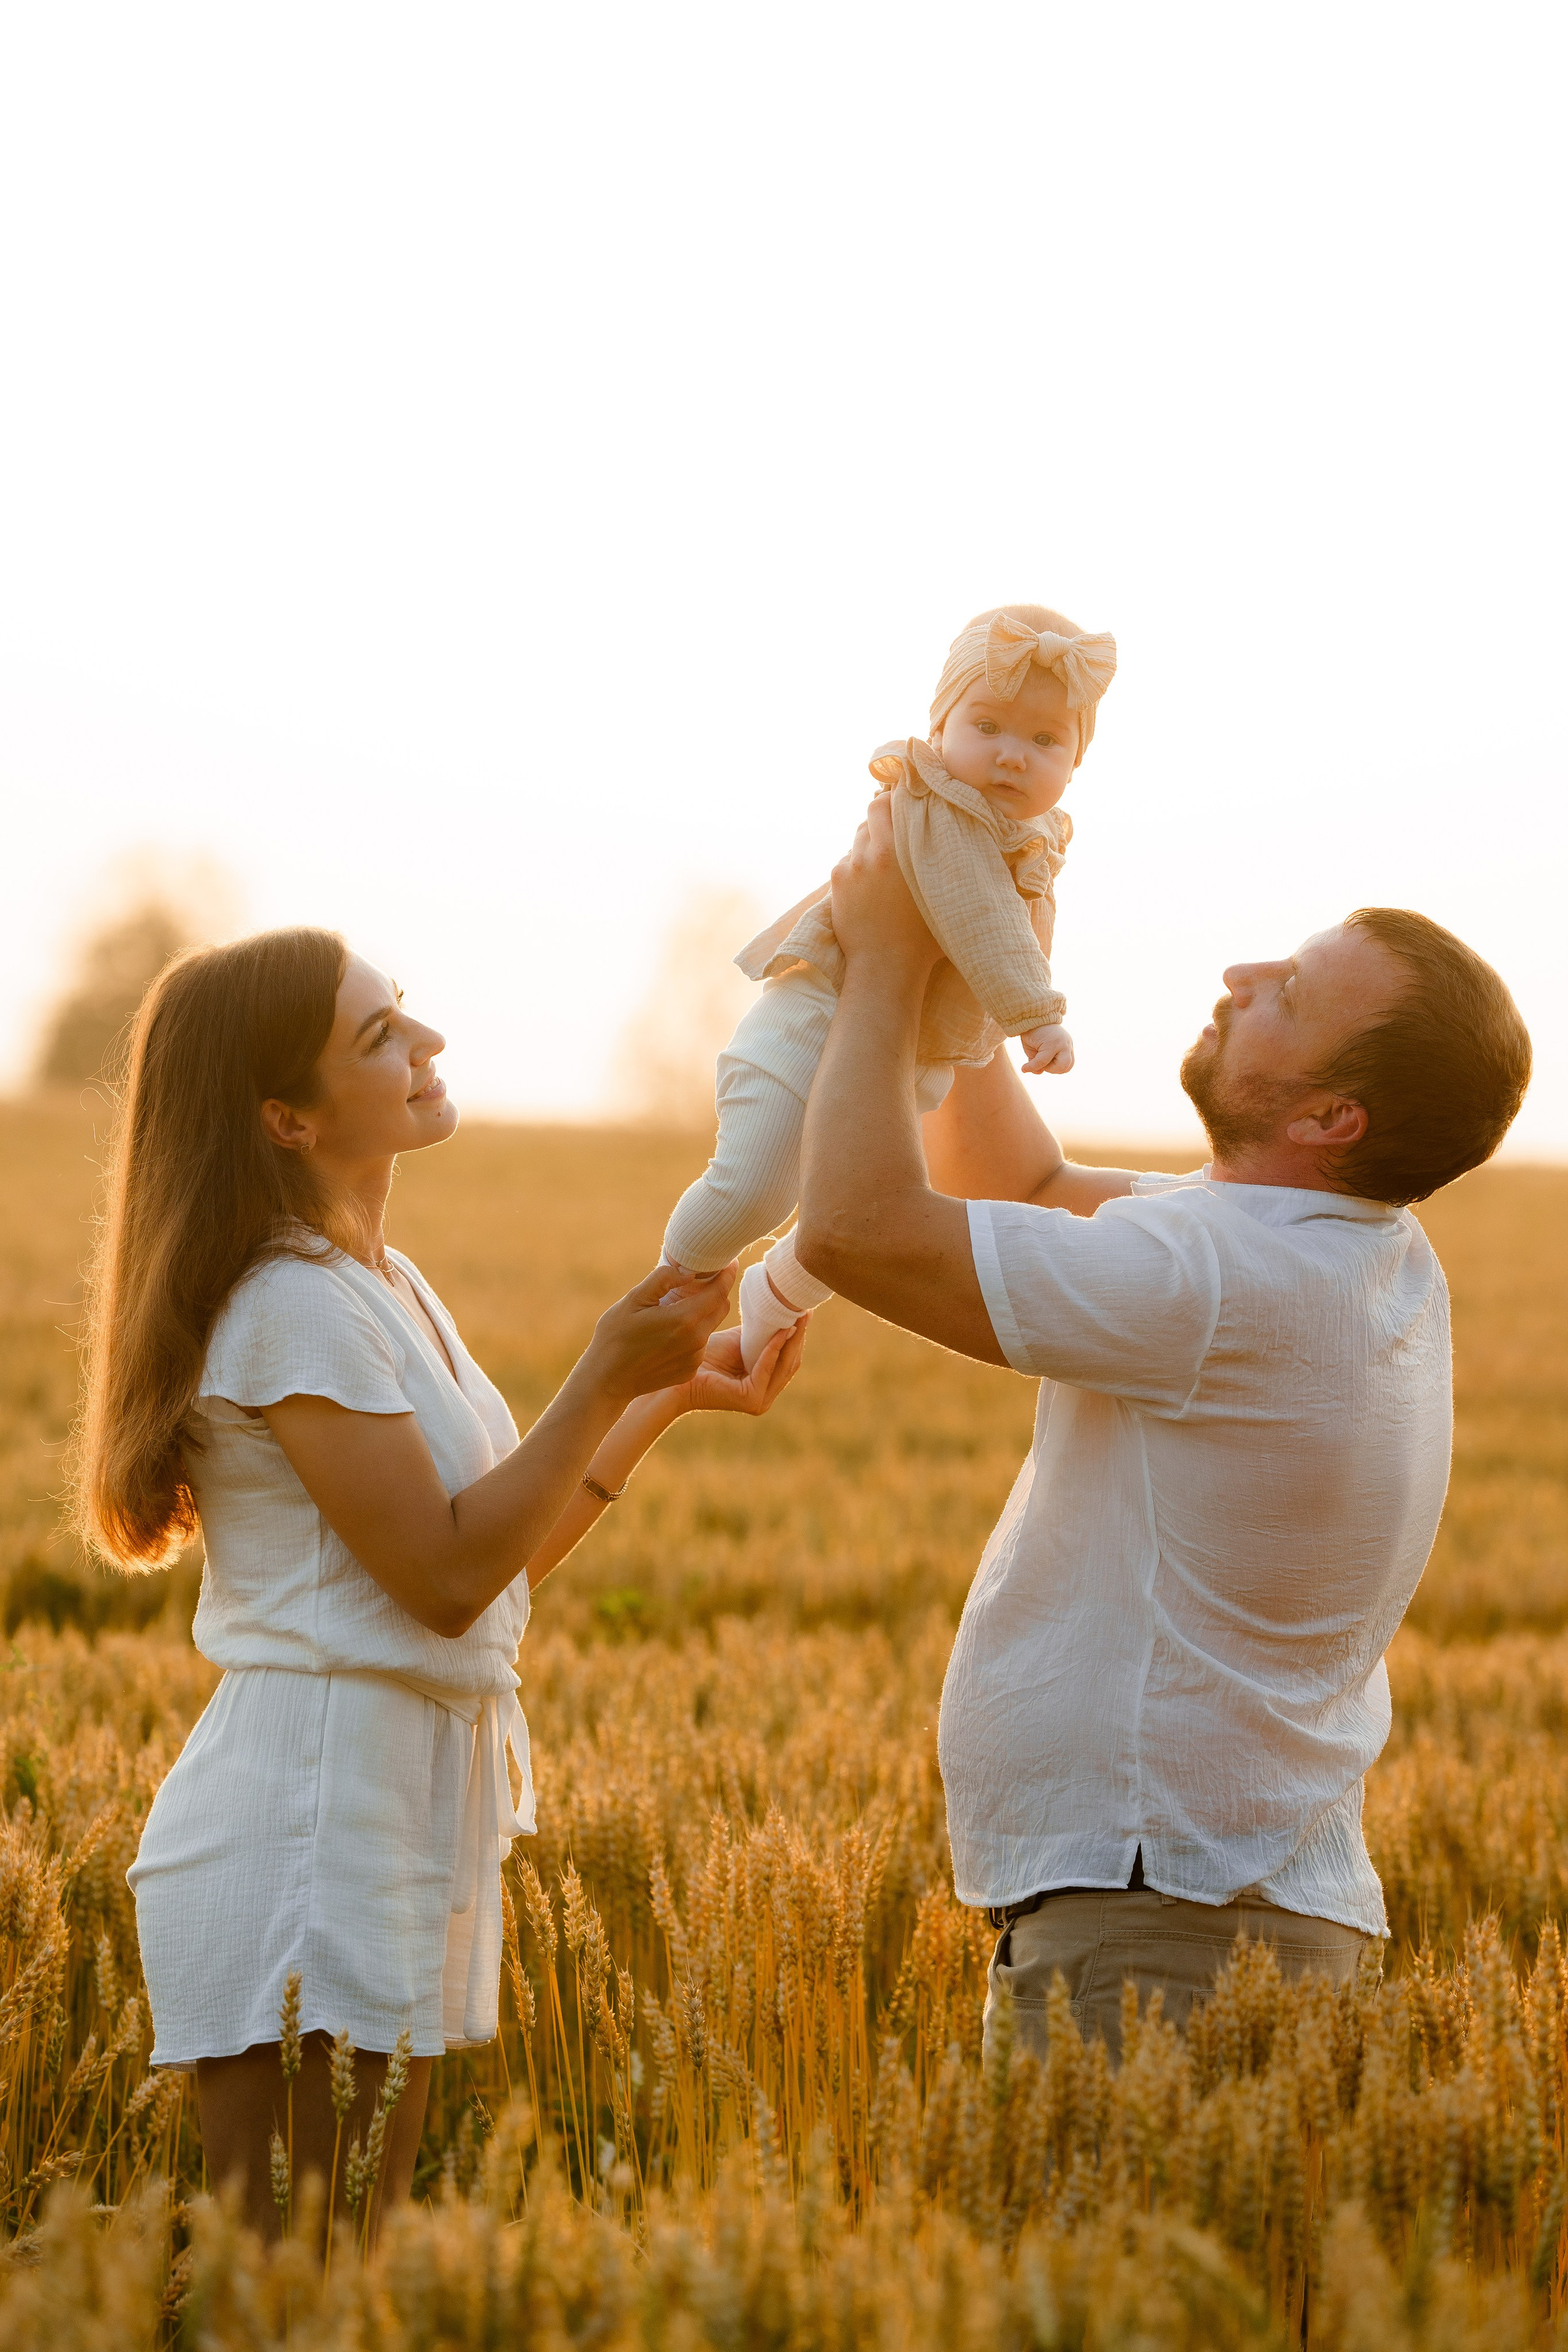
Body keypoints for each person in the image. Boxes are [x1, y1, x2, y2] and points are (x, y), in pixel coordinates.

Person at [79, 927, 805, 2238]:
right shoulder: (292, 1304)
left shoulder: (382, 1285)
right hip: (307, 1819)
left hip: (386, 1799)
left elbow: (493, 1554)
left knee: (338, 2268)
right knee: (300, 2281)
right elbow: (444, 1579)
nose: (429, 1045)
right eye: (379, 1036)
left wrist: (663, 1397)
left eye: (403, 1014)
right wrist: (599, 1369)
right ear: (285, 1119)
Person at [792, 796, 1531, 2063]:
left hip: (1158, 1935)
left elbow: (854, 1227)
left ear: (1326, 1119)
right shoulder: (1347, 1251)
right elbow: (1018, 1191)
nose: (1238, 977)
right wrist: (969, 936)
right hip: (1222, 1906)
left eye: (1287, 995)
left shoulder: (1219, 1277)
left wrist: (881, 969)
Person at [662, 604, 1116, 1368]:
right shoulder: (942, 805)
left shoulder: (1034, 835)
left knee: (867, 1207)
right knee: (756, 1190)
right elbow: (981, 920)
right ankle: (676, 1278)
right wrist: (1036, 1017)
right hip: (812, 1025)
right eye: (987, 726)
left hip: (906, 1052)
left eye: (1045, 741)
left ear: (1076, 761)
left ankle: (773, 1301)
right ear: (940, 728)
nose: (1011, 757)